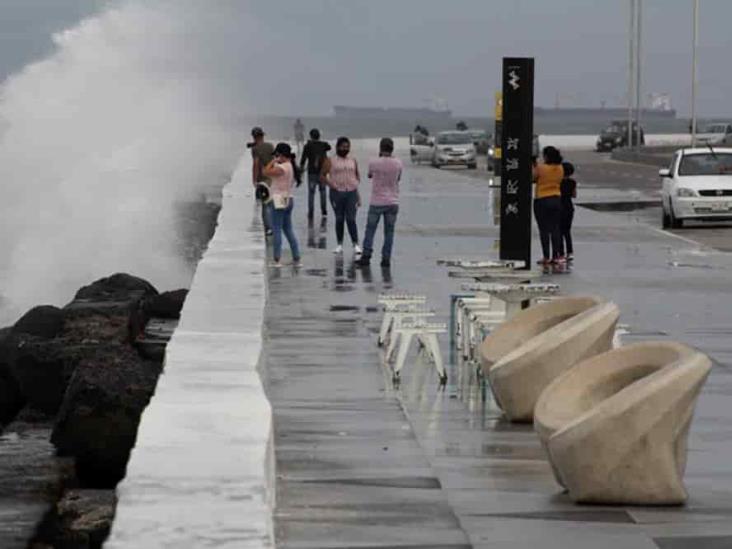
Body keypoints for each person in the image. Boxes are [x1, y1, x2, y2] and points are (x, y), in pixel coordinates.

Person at [356, 138, 402, 268]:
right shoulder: (398, 163)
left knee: (370, 230)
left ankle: (366, 256)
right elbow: (398, 178)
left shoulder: (374, 162)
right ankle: (386, 259)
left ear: (380, 148)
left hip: (377, 201)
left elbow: (370, 175)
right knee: (389, 232)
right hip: (393, 201)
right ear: (392, 148)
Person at [321, 136, 362, 256]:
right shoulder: (330, 160)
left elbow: (356, 176)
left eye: (347, 147)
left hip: (351, 193)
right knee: (339, 218)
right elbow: (322, 176)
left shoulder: (353, 160)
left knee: (351, 219)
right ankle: (339, 244)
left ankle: (356, 244)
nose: (346, 149)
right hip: (336, 193)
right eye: (343, 146)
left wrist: (358, 196)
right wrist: (331, 185)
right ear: (338, 147)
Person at [262, 142, 301, 267]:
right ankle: (296, 257)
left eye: (277, 155)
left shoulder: (282, 167)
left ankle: (277, 259)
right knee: (288, 229)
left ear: (280, 154)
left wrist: (273, 161)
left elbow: (266, 172)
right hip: (288, 198)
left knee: (277, 229)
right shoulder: (291, 166)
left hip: (278, 198)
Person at [532, 146, 564, 267]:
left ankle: (546, 256)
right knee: (555, 229)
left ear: (546, 156)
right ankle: (556, 256)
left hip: (542, 199)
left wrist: (534, 165)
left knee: (544, 230)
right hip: (556, 198)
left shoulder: (541, 168)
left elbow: (533, 178)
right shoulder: (560, 168)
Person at [299, 128, 331, 221]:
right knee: (323, 191)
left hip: (311, 172)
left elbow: (303, 159)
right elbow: (329, 147)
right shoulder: (323, 145)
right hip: (322, 172)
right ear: (319, 136)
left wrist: (300, 171)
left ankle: (311, 212)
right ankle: (324, 211)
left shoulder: (308, 146)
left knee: (311, 193)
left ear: (311, 136)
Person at [250, 127, 274, 236]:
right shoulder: (270, 146)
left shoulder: (255, 149)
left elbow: (256, 164)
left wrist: (254, 180)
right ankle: (274, 225)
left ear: (254, 137)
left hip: (263, 179)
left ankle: (268, 228)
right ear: (263, 136)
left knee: (265, 205)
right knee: (272, 203)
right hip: (272, 178)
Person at [559, 161, 577, 261]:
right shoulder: (573, 182)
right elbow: (574, 195)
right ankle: (570, 252)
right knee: (567, 231)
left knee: (559, 231)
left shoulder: (557, 182)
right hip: (569, 207)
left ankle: (561, 252)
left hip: (559, 206)